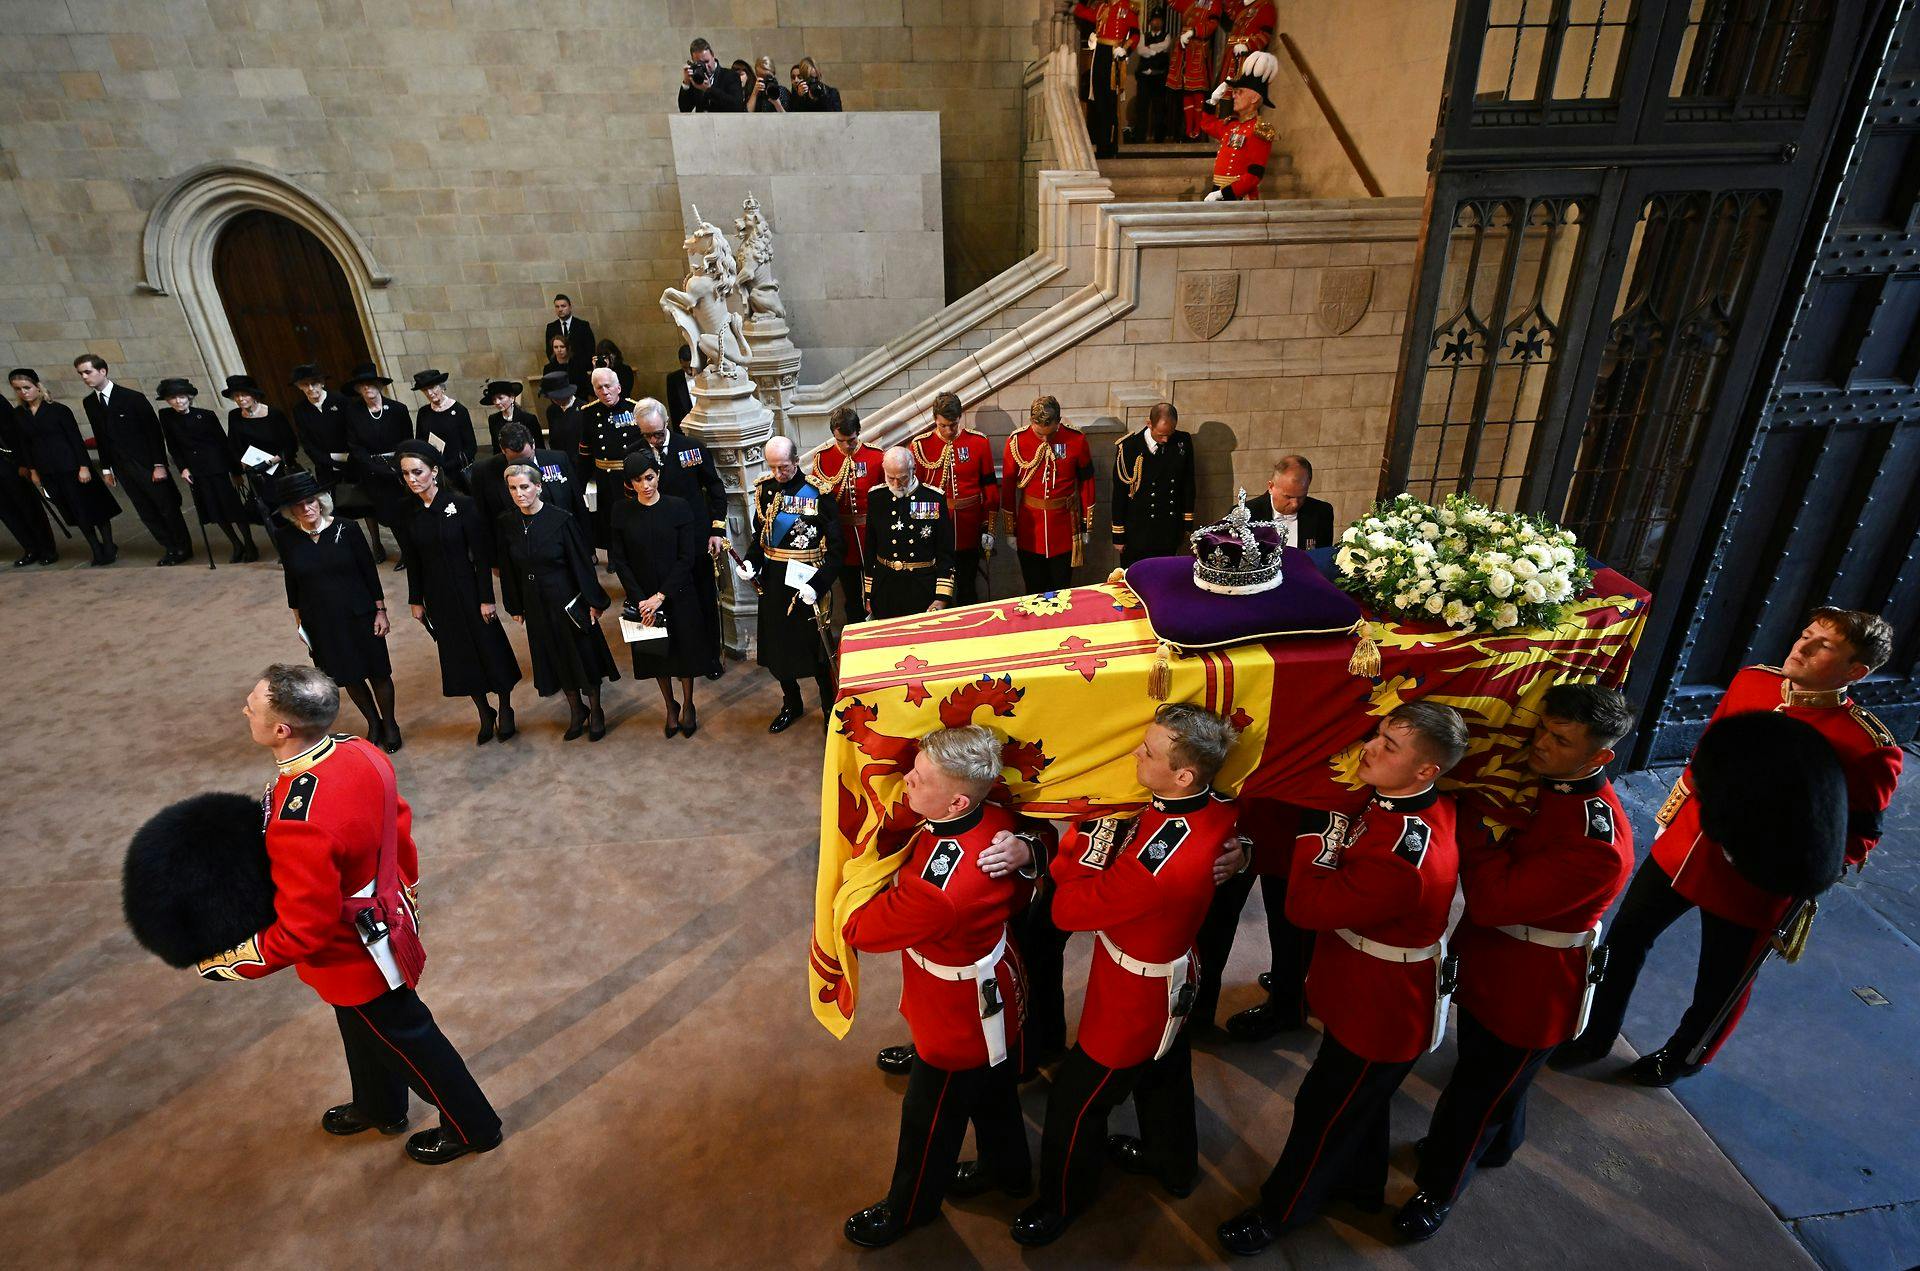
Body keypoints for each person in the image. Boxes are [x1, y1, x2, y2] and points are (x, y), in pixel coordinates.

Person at [1558, 609, 1904, 1084]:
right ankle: (1594, 1034)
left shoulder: (1866, 744)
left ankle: (1682, 1055)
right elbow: (1706, 753)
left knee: (1719, 982)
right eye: (1805, 635)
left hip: (1755, 881)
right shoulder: (1752, 683)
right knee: (1624, 941)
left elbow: (1858, 833)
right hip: (1683, 849)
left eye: (1822, 646)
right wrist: (1676, 815)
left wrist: (1797, 875)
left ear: (1855, 672)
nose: (1800, 648)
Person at [198, 664, 502, 1166]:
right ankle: (380, 1104)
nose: (244, 709)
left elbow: (305, 928)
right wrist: (400, 890)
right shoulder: (360, 749)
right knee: (359, 1025)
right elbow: (398, 826)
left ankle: (475, 1126)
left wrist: (232, 959)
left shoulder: (301, 821)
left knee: (413, 1040)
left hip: (352, 948)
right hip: (385, 909)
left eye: (252, 705)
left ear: (282, 729)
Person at [1218, 701, 1467, 1256]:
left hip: (1380, 1009)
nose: (1370, 749)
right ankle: (1360, 1186)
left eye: (1390, 747)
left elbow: (1306, 906)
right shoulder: (1414, 804)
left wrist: (1316, 826)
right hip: (1363, 983)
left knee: (1322, 1111)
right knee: (1362, 1103)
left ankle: (1283, 1209)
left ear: (1428, 770)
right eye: (1377, 736)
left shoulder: (1406, 858)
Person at [1394, 683, 1635, 1242]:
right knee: (1498, 1080)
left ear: (1600, 756)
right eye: (1543, 728)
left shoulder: (1598, 842)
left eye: (1560, 738)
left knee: (1474, 1096)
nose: (1540, 744)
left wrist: (1475, 831)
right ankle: (1503, 1143)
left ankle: (1438, 1191)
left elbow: (1494, 900)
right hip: (1491, 960)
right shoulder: (1550, 787)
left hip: (1530, 989)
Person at [1012, 706, 1244, 1247]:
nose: (1135, 755)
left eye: (1148, 752)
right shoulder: (1214, 806)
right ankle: (1173, 1164)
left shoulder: (1157, 868)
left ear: (1184, 775)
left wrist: (1078, 851)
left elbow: (1066, 912)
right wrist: (1244, 852)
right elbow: (1235, 826)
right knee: (1165, 1073)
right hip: (1172, 967)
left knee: (1076, 1101)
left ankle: (1061, 1199)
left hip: (1135, 990)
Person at [840, 726, 1038, 1249]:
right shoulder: (992, 818)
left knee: (927, 1120)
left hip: (956, 1013)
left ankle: (910, 1208)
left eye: (919, 777)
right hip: (987, 980)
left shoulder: (938, 892)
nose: (905, 779)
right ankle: (1010, 1171)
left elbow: (860, 929)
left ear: (954, 800)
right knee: (993, 1090)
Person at [395, 442, 522, 745]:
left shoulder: (462, 505)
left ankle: (505, 708)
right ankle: (484, 712)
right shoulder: (408, 513)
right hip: (439, 597)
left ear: (434, 471)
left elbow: (481, 557)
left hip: (470, 590)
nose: (412, 479)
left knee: (491, 650)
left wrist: (487, 598)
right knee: (459, 657)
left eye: (417, 472)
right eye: (406, 474)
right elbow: (412, 559)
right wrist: (415, 599)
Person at [268, 470, 402, 753]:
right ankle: (373, 723)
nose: (306, 509)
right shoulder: (287, 537)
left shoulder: (347, 529)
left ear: (321, 500)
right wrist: (300, 624)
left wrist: (381, 611)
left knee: (377, 671)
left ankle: (390, 724)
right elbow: (292, 581)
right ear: (290, 510)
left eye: (310, 501)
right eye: (298, 505)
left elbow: (369, 572)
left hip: (360, 613)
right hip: (321, 619)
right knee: (349, 674)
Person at [497, 462, 618, 741]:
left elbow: (581, 564)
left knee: (583, 655)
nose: (519, 494)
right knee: (553, 657)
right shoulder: (508, 523)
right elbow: (509, 567)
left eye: (525, 487)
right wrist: (515, 605)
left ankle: (596, 709)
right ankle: (576, 710)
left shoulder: (561, 520)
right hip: (535, 603)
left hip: (567, 600)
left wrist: (593, 601)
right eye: (513, 488)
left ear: (538, 487)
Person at [737, 435, 842, 733]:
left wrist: (818, 585)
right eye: (773, 468)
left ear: (797, 461)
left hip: (806, 582)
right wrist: (750, 562)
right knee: (778, 648)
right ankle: (791, 703)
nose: (778, 474)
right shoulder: (765, 490)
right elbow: (761, 540)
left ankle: (828, 707)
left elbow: (836, 550)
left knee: (817, 650)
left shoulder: (819, 494)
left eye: (783, 467)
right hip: (774, 582)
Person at [611, 450, 714, 738]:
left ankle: (689, 704)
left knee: (685, 652)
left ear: (658, 475)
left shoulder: (679, 507)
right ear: (629, 483)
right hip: (641, 598)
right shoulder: (621, 511)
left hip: (677, 592)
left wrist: (660, 596)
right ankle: (670, 705)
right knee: (656, 655)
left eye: (649, 478)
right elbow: (620, 560)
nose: (645, 485)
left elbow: (686, 558)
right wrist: (641, 598)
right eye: (638, 480)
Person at [632, 397, 729, 678]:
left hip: (696, 538)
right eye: (647, 434)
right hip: (658, 544)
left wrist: (716, 529)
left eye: (658, 433)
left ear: (667, 423)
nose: (653, 439)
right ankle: (678, 656)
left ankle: (710, 656)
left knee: (703, 599)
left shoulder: (692, 448)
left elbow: (714, 488)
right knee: (669, 601)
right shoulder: (636, 454)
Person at [75, 353, 193, 565]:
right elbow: (100, 436)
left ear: (102, 371)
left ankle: (183, 547)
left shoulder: (132, 397)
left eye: (87, 372)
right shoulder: (90, 403)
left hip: (146, 463)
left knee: (166, 507)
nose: (84, 377)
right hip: (121, 466)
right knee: (145, 509)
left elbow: (153, 433)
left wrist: (159, 465)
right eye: (81, 374)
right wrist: (106, 469)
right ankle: (169, 547)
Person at [9, 367, 119, 565]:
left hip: (73, 467)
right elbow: (24, 445)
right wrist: (33, 471)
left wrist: (84, 466)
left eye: (27, 387)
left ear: (37, 387)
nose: (23, 392)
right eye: (18, 389)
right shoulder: (19, 415)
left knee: (94, 507)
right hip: (47, 470)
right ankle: (95, 547)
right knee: (74, 511)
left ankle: (109, 545)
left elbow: (75, 439)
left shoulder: (58, 410)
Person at [910, 392, 998, 606]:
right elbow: (915, 494)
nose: (949, 431)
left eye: (953, 425)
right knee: (938, 591)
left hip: (969, 527)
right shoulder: (920, 446)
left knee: (968, 586)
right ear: (934, 420)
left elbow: (990, 489)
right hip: (935, 532)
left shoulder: (978, 443)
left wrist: (989, 528)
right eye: (943, 426)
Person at [1001, 396, 1096, 594]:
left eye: (1049, 433)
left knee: (1061, 590)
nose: (1044, 440)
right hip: (1030, 530)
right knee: (1033, 589)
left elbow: (1087, 482)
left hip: (1063, 528)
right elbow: (1008, 487)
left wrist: (1087, 524)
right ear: (1030, 421)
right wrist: (1011, 529)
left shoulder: (1076, 439)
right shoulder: (1016, 441)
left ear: (1058, 422)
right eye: (1038, 433)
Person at [158, 377, 257, 563]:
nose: (178, 401)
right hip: (196, 471)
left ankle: (250, 544)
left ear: (189, 397)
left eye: (181, 397)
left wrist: (235, 472)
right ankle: (236, 544)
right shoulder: (166, 417)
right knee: (214, 510)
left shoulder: (206, 415)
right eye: (172, 398)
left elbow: (223, 443)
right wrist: (183, 468)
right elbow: (173, 446)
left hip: (217, 468)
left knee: (232, 508)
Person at [468, 420, 587, 563]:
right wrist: (494, 561)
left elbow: (577, 505)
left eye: (527, 459)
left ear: (533, 444)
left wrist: (588, 547)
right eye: (514, 462)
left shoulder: (558, 459)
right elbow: (484, 519)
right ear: (502, 450)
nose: (523, 466)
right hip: (519, 554)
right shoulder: (484, 472)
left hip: (563, 547)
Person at [291, 364, 381, 552]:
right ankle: (348, 545)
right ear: (299, 387)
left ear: (322, 383)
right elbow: (306, 443)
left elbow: (353, 430)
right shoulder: (300, 410)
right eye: (305, 385)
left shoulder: (341, 401)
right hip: (325, 467)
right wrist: (327, 461)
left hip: (352, 462)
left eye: (314, 383)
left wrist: (350, 458)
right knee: (333, 508)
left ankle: (376, 543)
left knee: (364, 503)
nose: (311, 389)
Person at [811, 406, 886, 623]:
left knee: (878, 592)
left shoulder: (875, 456)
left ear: (859, 432)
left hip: (871, 536)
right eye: (840, 440)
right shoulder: (823, 459)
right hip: (842, 539)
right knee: (851, 595)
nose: (846, 446)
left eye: (851, 440)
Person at [864, 446, 954, 620]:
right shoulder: (876, 498)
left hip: (921, 586)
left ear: (914, 469)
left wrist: (942, 597)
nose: (896, 484)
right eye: (891, 478)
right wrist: (869, 593)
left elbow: (945, 551)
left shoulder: (933, 498)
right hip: (886, 587)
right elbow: (870, 550)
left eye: (903, 478)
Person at [341, 363, 413, 567]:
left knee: (406, 511)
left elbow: (407, 439)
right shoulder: (353, 412)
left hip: (398, 468)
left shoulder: (398, 409)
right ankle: (406, 553)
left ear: (379, 386)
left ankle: (416, 551)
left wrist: (398, 464)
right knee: (389, 514)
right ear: (357, 390)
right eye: (362, 386)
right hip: (373, 471)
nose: (367, 389)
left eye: (371, 385)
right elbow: (355, 445)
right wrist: (375, 466)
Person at [1111, 401, 1196, 565]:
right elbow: (1119, 494)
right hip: (1137, 532)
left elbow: (1188, 484)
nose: (1165, 439)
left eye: (1169, 434)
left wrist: (1186, 523)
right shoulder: (1129, 448)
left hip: (1168, 529)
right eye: (1161, 434)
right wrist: (1118, 535)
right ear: (1149, 424)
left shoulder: (1182, 442)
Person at [577, 367, 643, 551]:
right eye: (599, 388)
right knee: (610, 518)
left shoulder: (634, 409)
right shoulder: (588, 413)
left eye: (608, 386)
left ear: (618, 388)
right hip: (605, 477)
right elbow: (585, 452)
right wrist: (580, 484)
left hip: (631, 474)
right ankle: (616, 554)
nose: (604, 392)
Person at [1200, 51, 1278, 202]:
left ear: (1254, 97)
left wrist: (1224, 194)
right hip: (1218, 193)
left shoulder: (1259, 130)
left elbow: (1254, 175)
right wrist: (1213, 100)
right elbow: (1207, 125)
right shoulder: (1232, 125)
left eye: (1239, 92)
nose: (1234, 96)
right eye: (1234, 92)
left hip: (1239, 197)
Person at [1073, 1, 1140, 159]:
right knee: (1099, 101)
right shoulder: (1102, 7)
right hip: (1099, 54)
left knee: (1110, 104)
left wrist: (1126, 48)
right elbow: (1080, 11)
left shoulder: (1127, 8)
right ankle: (1102, 144)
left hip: (1114, 55)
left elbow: (1136, 33)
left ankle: (1110, 145)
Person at [0, 395, 57, 566]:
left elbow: (14, 433)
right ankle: (30, 548)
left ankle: (47, 549)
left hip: (9, 464)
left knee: (27, 507)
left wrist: (23, 462)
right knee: (7, 513)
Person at [1244, 454, 1333, 547]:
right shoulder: (1246, 514)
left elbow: (1322, 557)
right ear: (1271, 487)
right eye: (1288, 497)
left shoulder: (1322, 512)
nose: (1295, 504)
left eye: (1301, 497)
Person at [1167, 0, 1220, 140]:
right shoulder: (1190, 1)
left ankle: (1198, 127)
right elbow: (1173, 3)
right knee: (1186, 89)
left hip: (1198, 48)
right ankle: (1189, 127)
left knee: (1197, 89)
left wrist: (1193, 31)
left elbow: (1212, 25)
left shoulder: (1214, 3)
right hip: (1184, 49)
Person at [411, 370, 478, 475]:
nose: (429, 393)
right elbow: (421, 443)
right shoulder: (423, 413)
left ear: (442, 386)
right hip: (435, 472)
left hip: (458, 471)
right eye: (425, 390)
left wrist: (449, 466)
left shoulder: (459, 410)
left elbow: (471, 447)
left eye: (432, 387)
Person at [1129, 8, 1173, 143]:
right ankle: (1139, 138)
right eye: (1154, 20)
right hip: (1144, 78)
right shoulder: (1143, 35)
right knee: (1142, 108)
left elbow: (1165, 46)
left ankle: (1159, 138)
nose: (1157, 22)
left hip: (1159, 77)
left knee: (1159, 109)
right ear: (1150, 22)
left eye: (1159, 20)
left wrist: (1150, 49)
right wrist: (1154, 50)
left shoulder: (1166, 35)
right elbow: (1141, 50)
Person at [679, 37, 746, 112]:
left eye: (707, 61)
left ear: (713, 55)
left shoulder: (731, 76)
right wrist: (686, 83)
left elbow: (736, 106)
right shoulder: (697, 79)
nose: (706, 67)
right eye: (700, 63)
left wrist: (709, 90)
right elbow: (684, 109)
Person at [1217, 0, 1275, 85]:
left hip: (1247, 58)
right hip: (1230, 56)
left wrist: (1247, 45)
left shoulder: (1266, 6)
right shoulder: (1240, 5)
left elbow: (1265, 35)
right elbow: (1229, 24)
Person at [542, 294, 596, 379]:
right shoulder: (551, 327)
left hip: (580, 371)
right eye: (557, 307)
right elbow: (549, 350)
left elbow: (590, 348)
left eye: (563, 306)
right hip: (559, 371)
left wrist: (582, 366)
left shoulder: (582, 325)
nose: (560, 309)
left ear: (570, 307)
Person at [481, 380, 540, 452]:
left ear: (512, 398)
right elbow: (496, 446)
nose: (497, 402)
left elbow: (539, 446)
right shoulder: (493, 419)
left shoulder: (528, 418)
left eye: (500, 398)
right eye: (494, 399)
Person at [540, 369, 587, 461]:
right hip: (562, 460)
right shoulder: (552, 410)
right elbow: (553, 439)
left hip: (582, 461)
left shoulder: (583, 408)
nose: (556, 400)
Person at [542, 335, 586, 405]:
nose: (559, 350)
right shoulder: (548, 368)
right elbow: (547, 390)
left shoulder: (578, 365)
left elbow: (584, 386)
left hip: (578, 401)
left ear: (567, 348)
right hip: (558, 404)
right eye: (556, 347)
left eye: (562, 347)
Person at [664, 345, 694, 427]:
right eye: (685, 367)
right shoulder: (673, 379)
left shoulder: (706, 376)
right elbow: (673, 410)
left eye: (691, 367)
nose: (689, 371)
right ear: (680, 362)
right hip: (686, 427)